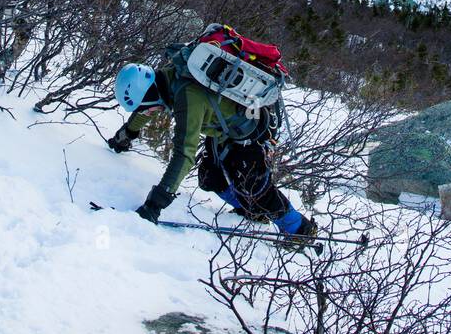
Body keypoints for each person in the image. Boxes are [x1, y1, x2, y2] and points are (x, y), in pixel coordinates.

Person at [109, 60, 317, 242]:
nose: (149, 112)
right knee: (211, 178)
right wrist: (126, 134)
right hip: (224, 130)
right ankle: (251, 211)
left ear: (150, 94)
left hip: (250, 130)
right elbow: (145, 111)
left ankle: (300, 230)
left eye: (147, 107)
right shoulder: (166, 77)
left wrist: (155, 204)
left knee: (256, 189)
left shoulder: (186, 97)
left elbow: (184, 154)